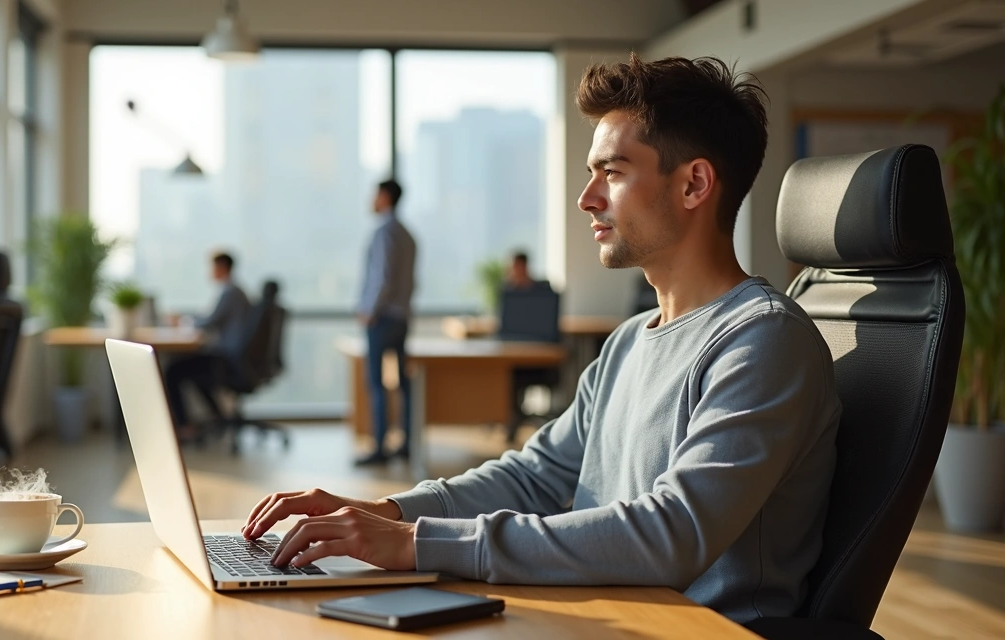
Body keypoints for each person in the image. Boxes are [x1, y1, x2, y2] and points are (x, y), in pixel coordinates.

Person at [240, 54, 841, 625]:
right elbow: (538, 477)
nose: (588, 198)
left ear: (693, 185)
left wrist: (417, 543)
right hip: (605, 614)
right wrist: (387, 513)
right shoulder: (630, 341)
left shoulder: (762, 340)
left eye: (613, 172)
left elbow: (672, 535)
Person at [355, 179, 417, 466]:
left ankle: (380, 446)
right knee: (403, 383)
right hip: (402, 316)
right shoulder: (408, 234)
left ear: (384, 197)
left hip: (382, 317)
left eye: (374, 194)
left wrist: (369, 310)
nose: (371, 199)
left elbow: (382, 277)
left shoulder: (383, 232)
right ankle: (406, 442)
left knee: (377, 383)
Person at [164, 251, 251, 437]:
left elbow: (210, 321)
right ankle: (218, 416)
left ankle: (184, 426)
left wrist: (183, 321)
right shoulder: (234, 291)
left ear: (221, 267)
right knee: (195, 372)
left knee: (173, 371)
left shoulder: (230, 292)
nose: (209, 272)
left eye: (212, 267)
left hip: (227, 358)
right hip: (233, 357)